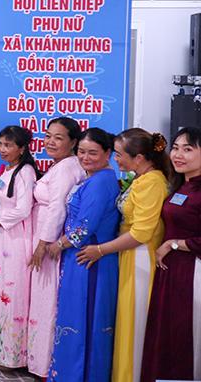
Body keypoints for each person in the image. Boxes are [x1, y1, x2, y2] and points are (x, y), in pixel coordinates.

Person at [73, 128, 169, 382]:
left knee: (134, 323)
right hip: (127, 254)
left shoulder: (152, 182)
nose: (116, 159)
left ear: (139, 158)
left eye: (118, 154)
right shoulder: (140, 178)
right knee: (125, 321)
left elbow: (141, 233)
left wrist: (100, 249)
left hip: (139, 257)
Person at [48, 128, 121, 382]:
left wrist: (58, 244)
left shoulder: (101, 182)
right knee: (75, 317)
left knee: (83, 318)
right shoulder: (94, 177)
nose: (85, 158)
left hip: (89, 258)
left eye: (93, 153)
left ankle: (80, 375)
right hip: (80, 256)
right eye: (81, 152)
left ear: (108, 153)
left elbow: (84, 227)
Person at [141, 127, 201, 382]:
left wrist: (174, 244)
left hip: (192, 273)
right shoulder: (180, 185)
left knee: (185, 336)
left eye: (188, 149)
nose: (178, 154)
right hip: (171, 273)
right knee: (167, 335)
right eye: (175, 148)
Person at [27, 117, 84, 377]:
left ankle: (44, 363)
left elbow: (57, 208)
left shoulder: (66, 168)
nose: (50, 141)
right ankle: (37, 359)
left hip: (50, 242)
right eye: (48, 135)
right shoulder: (59, 165)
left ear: (73, 142)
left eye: (58, 138)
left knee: (47, 300)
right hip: (43, 234)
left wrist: (43, 243)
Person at [0, 126, 37, 369]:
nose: (3, 150)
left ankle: (13, 356)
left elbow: (24, 209)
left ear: (22, 148)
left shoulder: (26, 172)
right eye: (1, 144)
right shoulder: (8, 169)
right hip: (2, 236)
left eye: (9, 145)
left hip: (15, 238)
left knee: (12, 292)